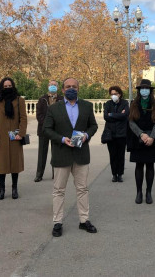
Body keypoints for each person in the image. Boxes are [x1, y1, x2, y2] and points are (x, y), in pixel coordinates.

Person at [44, 78, 98, 237]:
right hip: (62, 153)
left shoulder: (87, 106)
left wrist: (86, 135)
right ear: (62, 90)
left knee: (82, 189)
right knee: (59, 190)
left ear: (78, 88)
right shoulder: (54, 108)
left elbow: (93, 125)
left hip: (81, 154)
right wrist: (61, 139)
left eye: (74, 86)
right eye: (68, 86)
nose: (71, 89)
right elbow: (46, 129)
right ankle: (57, 222)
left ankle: (84, 220)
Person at [127, 80, 155, 204]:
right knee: (139, 165)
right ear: (139, 90)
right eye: (142, 88)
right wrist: (141, 134)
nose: (144, 90)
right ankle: (139, 192)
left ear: (150, 90)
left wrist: (152, 137)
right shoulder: (134, 103)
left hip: (152, 140)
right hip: (138, 139)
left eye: (146, 88)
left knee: (150, 166)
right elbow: (131, 121)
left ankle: (148, 192)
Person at [0, 77, 27, 200]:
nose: (7, 88)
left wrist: (21, 134)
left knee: (15, 165)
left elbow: (23, 118)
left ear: (13, 86)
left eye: (9, 86)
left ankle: (14, 188)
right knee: (1, 165)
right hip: (1, 138)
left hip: (15, 138)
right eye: (5, 86)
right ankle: (2, 189)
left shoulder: (19, 100)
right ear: (1, 87)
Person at [35, 80, 62, 182]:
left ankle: (55, 174)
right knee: (42, 153)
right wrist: (47, 125)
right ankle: (39, 174)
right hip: (43, 130)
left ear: (58, 87)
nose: (53, 87)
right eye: (51, 85)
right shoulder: (42, 99)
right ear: (48, 86)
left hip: (56, 130)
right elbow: (39, 115)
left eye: (55, 85)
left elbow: (63, 114)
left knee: (55, 153)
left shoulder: (61, 99)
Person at [102, 85, 130, 182]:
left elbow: (125, 115)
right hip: (111, 134)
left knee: (120, 155)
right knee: (113, 155)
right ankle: (114, 174)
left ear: (120, 94)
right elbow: (106, 116)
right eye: (112, 94)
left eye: (115, 94)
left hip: (122, 134)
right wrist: (119, 115)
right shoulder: (108, 104)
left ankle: (120, 174)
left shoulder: (125, 103)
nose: (113, 95)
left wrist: (112, 115)